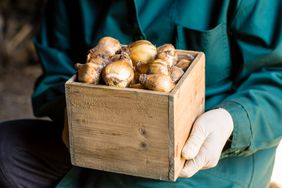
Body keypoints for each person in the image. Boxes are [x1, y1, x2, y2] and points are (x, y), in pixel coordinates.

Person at [0, 0, 282, 187]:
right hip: (100, 152)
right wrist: (72, 113)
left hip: (205, 161)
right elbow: (56, 65)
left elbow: (277, 76)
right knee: (6, 151)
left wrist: (230, 122)